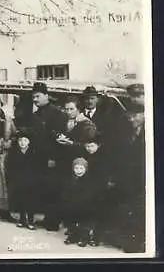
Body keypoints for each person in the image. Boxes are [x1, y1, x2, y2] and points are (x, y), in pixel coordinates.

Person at [109, 83, 146, 253]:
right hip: (126, 170)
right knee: (127, 204)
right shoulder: (123, 119)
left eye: (139, 95)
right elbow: (116, 146)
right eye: (133, 96)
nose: (133, 119)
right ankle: (128, 240)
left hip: (143, 170)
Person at [28, 82, 68, 231]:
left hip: (52, 158)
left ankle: (53, 221)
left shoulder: (58, 114)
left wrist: (53, 158)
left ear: (46, 95)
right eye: (33, 97)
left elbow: (58, 139)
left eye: (37, 96)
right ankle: (47, 218)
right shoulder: (36, 114)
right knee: (43, 188)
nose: (35, 99)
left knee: (53, 189)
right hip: (38, 158)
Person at [61, 158, 101, 247]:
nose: (78, 171)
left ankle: (84, 237)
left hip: (86, 205)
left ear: (85, 169)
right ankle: (73, 235)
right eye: (76, 168)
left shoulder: (89, 180)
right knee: (71, 219)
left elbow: (89, 194)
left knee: (85, 221)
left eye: (81, 168)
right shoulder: (70, 179)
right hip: (73, 204)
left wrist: (80, 201)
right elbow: (65, 191)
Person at [6, 129, 40, 230]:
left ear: (29, 142)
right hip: (19, 179)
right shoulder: (14, 152)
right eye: (20, 140)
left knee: (30, 200)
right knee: (20, 200)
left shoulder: (33, 152)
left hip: (31, 180)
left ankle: (30, 220)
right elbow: (10, 166)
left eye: (25, 140)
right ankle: (22, 219)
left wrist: (36, 178)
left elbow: (37, 167)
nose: (22, 143)